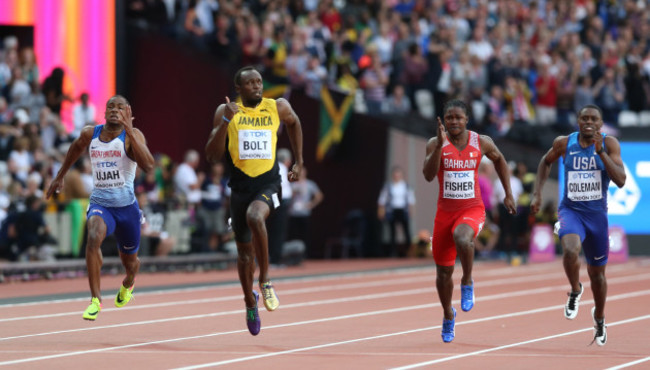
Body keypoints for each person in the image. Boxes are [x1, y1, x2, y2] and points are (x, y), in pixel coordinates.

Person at [205, 66, 303, 336]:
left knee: (256, 216)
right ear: (239, 88)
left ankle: (266, 280)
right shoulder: (226, 111)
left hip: (269, 184)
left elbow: (294, 123)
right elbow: (212, 156)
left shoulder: (277, 107)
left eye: (259, 81)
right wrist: (225, 121)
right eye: (250, 83)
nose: (257, 86)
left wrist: (299, 160)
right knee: (244, 255)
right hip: (239, 188)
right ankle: (250, 301)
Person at [46, 95, 155, 320]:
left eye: (119, 107)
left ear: (128, 111)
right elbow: (75, 149)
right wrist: (60, 176)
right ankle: (95, 300)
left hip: (127, 208)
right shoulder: (91, 133)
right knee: (94, 236)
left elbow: (149, 165)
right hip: (100, 204)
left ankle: (128, 283)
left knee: (131, 262)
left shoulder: (132, 135)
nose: (114, 110)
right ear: (104, 112)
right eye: (110, 107)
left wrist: (131, 131)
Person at [531, 104, 626, 346]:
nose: (589, 122)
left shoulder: (610, 144)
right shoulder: (564, 143)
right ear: (578, 121)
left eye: (594, 118)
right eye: (584, 118)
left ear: (601, 124)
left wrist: (601, 153)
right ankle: (575, 289)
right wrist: (538, 193)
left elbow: (621, 181)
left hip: (597, 216)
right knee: (571, 250)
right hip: (570, 210)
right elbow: (545, 161)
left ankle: (600, 318)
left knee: (598, 275)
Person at [422, 99, 517, 343]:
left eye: (458, 117)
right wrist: (439, 147)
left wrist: (507, 193)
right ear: (443, 121)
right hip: (444, 214)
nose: (454, 121)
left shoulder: (481, 141)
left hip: (472, 209)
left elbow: (500, 160)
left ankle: (467, 281)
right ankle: (447, 314)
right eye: (449, 117)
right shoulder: (435, 143)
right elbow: (428, 176)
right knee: (443, 274)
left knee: (463, 237)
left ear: (467, 120)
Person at [377, 166, 415, 257]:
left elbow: (411, 200)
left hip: (403, 210)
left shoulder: (406, 186)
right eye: (395, 174)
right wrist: (381, 211)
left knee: (406, 231)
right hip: (392, 210)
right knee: (392, 232)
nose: (397, 176)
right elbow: (382, 200)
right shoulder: (388, 186)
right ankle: (393, 252)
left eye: (398, 174)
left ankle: (408, 251)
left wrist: (411, 211)